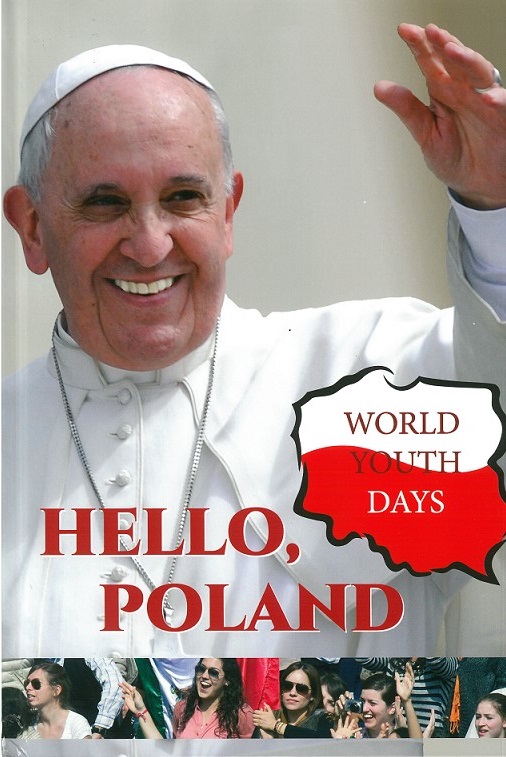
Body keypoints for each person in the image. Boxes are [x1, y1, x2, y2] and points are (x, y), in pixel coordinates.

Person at [3, 24, 506, 661]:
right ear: (32, 227)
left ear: (228, 212)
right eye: (105, 204)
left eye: (183, 198)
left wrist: (494, 206)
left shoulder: (369, 378)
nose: (150, 246)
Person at [357, 656, 457, 737]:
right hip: (397, 734)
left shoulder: (446, 660)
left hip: (431, 735)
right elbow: (363, 657)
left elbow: (436, 661)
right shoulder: (396, 657)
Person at [172, 658, 254, 739]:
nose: (204, 676)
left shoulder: (242, 715)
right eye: (201, 669)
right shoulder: (182, 708)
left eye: (213, 673)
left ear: (227, 680)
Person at [253, 661, 330, 738]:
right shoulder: (269, 717)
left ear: (313, 695)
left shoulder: (324, 718)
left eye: (301, 688)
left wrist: (276, 726)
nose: (292, 693)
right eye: (287, 686)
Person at [24, 662, 92, 739]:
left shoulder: (77, 724)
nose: (27, 687)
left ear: (56, 690)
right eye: (27, 683)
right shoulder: (28, 724)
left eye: (36, 683)